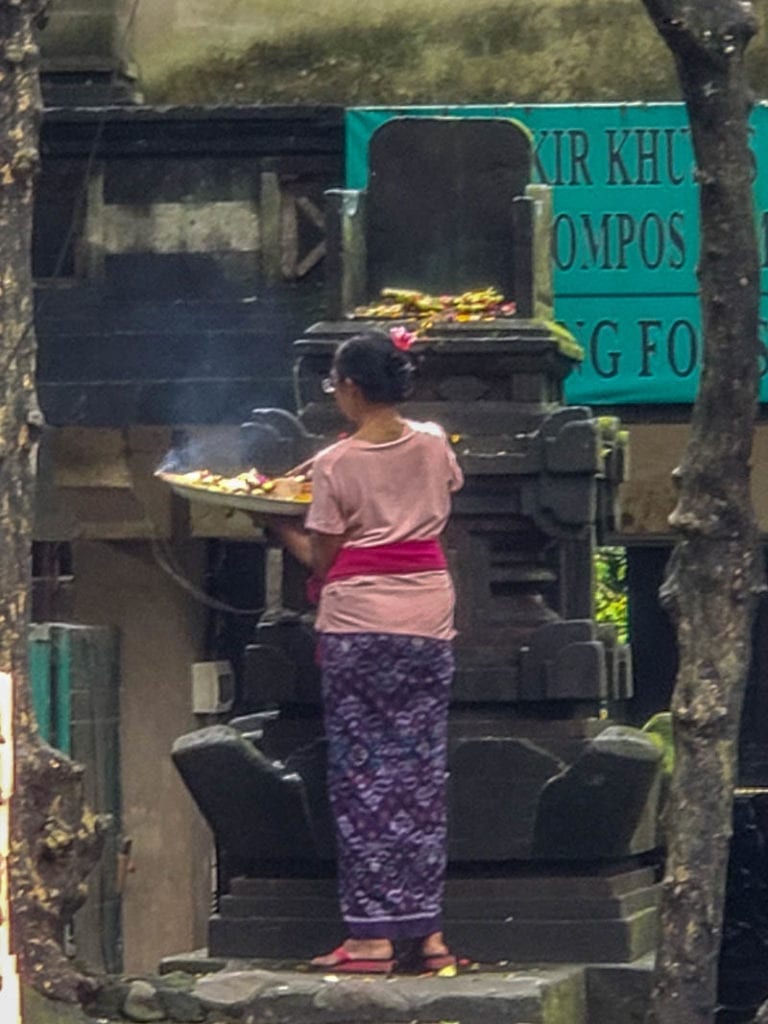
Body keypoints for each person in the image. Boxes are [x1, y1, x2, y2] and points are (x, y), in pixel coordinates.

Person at [272, 328, 463, 973]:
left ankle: (371, 938)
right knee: (420, 771)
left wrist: (275, 523)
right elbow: (437, 486)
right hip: (429, 617)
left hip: (359, 622)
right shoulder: (435, 442)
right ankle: (428, 935)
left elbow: (322, 558)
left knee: (363, 776)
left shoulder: (335, 465)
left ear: (350, 388)